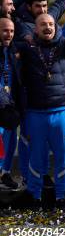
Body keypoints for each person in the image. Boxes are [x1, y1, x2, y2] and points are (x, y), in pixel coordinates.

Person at [16, 1, 65, 208]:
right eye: (43, 24)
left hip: (61, 112)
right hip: (35, 113)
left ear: (56, 27)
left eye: (51, 24)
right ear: (35, 29)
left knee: (63, 157)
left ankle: (62, 195)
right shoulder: (27, 48)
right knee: (36, 157)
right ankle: (35, 196)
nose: (48, 27)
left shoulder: (64, 45)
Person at [0, 18, 22, 189]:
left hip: (9, 105)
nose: (9, 34)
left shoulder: (13, 50)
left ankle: (4, 173)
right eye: (5, 30)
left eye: (12, 31)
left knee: (10, 139)